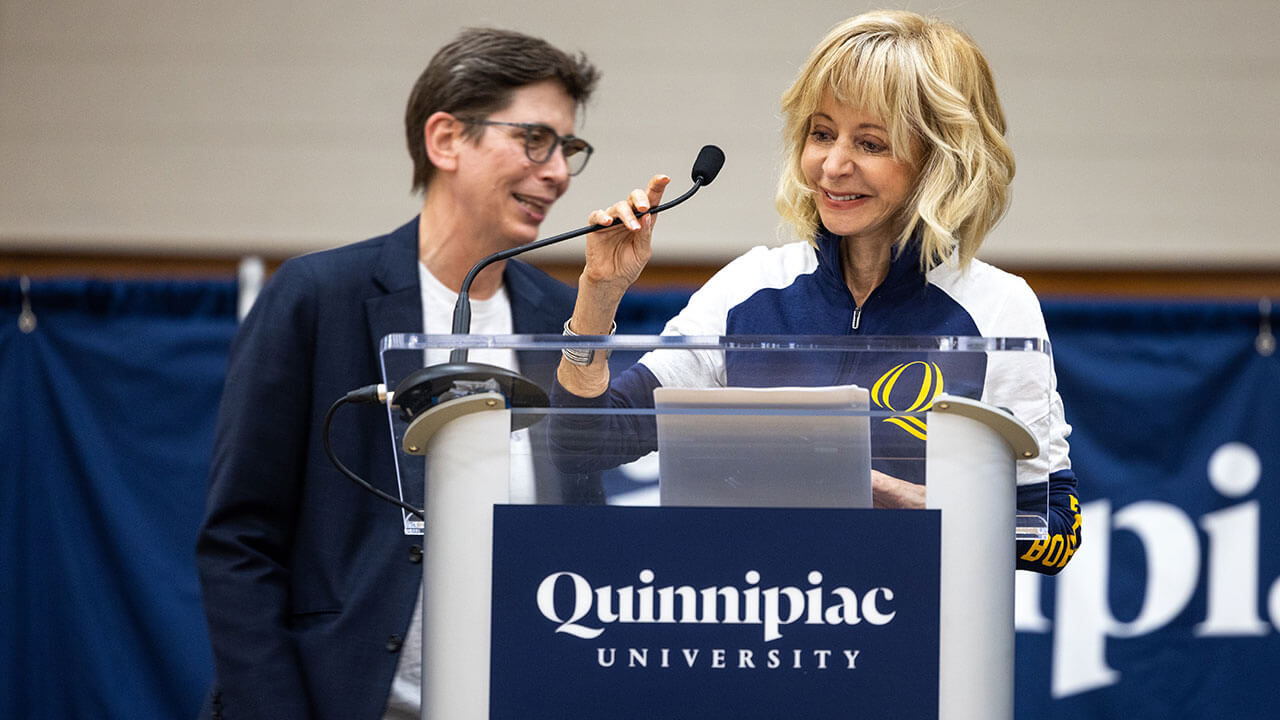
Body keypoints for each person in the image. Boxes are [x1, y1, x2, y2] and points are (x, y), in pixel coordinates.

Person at [549, 10, 1081, 574]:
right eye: (821, 134)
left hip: (913, 643)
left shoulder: (997, 307)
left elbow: (1053, 533)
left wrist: (896, 498)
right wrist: (598, 297)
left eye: (871, 143)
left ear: (940, 159)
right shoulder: (749, 288)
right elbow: (586, 445)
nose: (832, 165)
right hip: (752, 632)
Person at [195, 28, 602, 720]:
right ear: (445, 140)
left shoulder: (563, 316)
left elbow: (584, 528)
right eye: (535, 139)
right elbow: (240, 543)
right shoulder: (316, 297)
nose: (558, 171)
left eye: (567, 148)